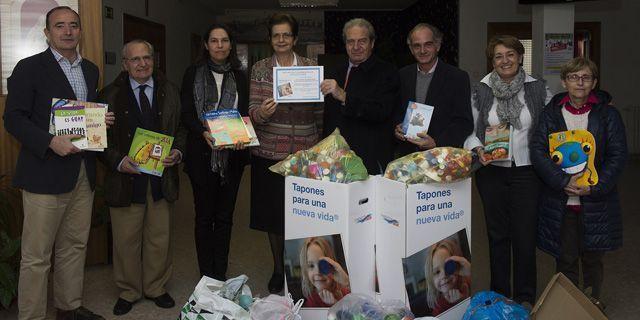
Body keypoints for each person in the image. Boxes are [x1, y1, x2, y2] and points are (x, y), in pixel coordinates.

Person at [3, 6, 113, 320]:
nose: (68, 31)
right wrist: (50, 141)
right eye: (60, 26)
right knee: (36, 257)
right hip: (44, 173)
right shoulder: (29, 67)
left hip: (83, 172)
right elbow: (13, 118)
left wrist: (98, 120)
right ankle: (32, 316)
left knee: (74, 246)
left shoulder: (91, 69)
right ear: (47, 32)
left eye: (74, 25)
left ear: (80, 30)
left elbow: (81, 117)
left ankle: (68, 307)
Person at [98, 39, 186, 315]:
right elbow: (98, 139)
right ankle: (129, 290)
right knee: (126, 239)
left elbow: (181, 128)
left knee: (159, 237)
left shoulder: (170, 90)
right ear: (125, 64)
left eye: (146, 57)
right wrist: (118, 161)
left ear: (154, 60)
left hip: (161, 178)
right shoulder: (108, 94)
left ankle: (156, 287)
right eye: (135, 59)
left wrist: (179, 152)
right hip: (125, 178)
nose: (142, 64)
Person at [530, 57, 627, 308]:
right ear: (564, 82)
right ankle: (568, 306)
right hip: (562, 201)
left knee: (593, 258)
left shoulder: (608, 115)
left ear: (594, 82)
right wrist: (562, 181)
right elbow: (538, 152)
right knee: (566, 257)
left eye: (585, 77)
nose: (579, 82)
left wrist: (594, 186)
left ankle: (592, 303)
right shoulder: (550, 114)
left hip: (596, 201)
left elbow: (618, 156)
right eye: (574, 77)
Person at [463, 35, 552, 307]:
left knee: (525, 234)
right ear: (492, 61)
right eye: (498, 56)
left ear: (520, 56)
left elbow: (552, 124)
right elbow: (470, 127)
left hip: (527, 170)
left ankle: (525, 296)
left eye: (510, 54)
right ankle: (500, 293)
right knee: (497, 234)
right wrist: (477, 148)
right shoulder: (481, 89)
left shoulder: (537, 88)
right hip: (491, 171)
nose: (505, 60)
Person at [248, 13, 323, 293]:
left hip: (304, 153)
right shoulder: (260, 69)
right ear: (270, 39)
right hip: (269, 152)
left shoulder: (310, 67)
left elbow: (320, 111)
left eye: (286, 35)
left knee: (302, 215)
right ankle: (279, 269)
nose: (281, 40)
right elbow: (252, 111)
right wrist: (262, 113)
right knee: (273, 217)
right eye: (276, 35)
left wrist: (318, 146)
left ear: (295, 39)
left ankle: (299, 269)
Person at [181, 23, 249, 281]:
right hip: (202, 155)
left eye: (224, 40)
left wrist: (243, 135)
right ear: (206, 45)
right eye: (214, 40)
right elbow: (187, 113)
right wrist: (202, 132)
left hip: (233, 157)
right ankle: (205, 274)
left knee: (225, 218)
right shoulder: (193, 73)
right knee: (203, 217)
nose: (219, 45)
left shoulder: (240, 76)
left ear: (231, 45)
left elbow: (244, 115)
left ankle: (219, 273)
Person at [321, 18, 400, 174]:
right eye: (350, 42)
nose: (356, 47)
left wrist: (344, 96)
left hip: (371, 159)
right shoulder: (335, 72)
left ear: (372, 42)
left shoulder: (387, 72)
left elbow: (381, 111)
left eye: (362, 41)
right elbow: (328, 116)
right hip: (336, 159)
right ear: (345, 44)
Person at [394, 23, 473, 154]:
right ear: (411, 49)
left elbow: (464, 122)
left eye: (428, 44)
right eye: (417, 46)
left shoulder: (457, 77)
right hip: (406, 155)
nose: (422, 50)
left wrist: (437, 142)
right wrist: (396, 128)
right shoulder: (402, 75)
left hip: (441, 156)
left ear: (438, 46)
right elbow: (396, 112)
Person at [299, 237, 350, 308]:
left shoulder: (345, 292)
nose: (318, 272)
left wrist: (347, 282)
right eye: (311, 266)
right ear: (305, 271)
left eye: (323, 265)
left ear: (332, 265)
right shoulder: (311, 302)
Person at [425, 239, 471, 316]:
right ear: (431, 279)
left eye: (447, 267)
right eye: (437, 272)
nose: (444, 275)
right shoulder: (438, 309)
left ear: (457, 265)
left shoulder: (469, 281)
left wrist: (470, 270)